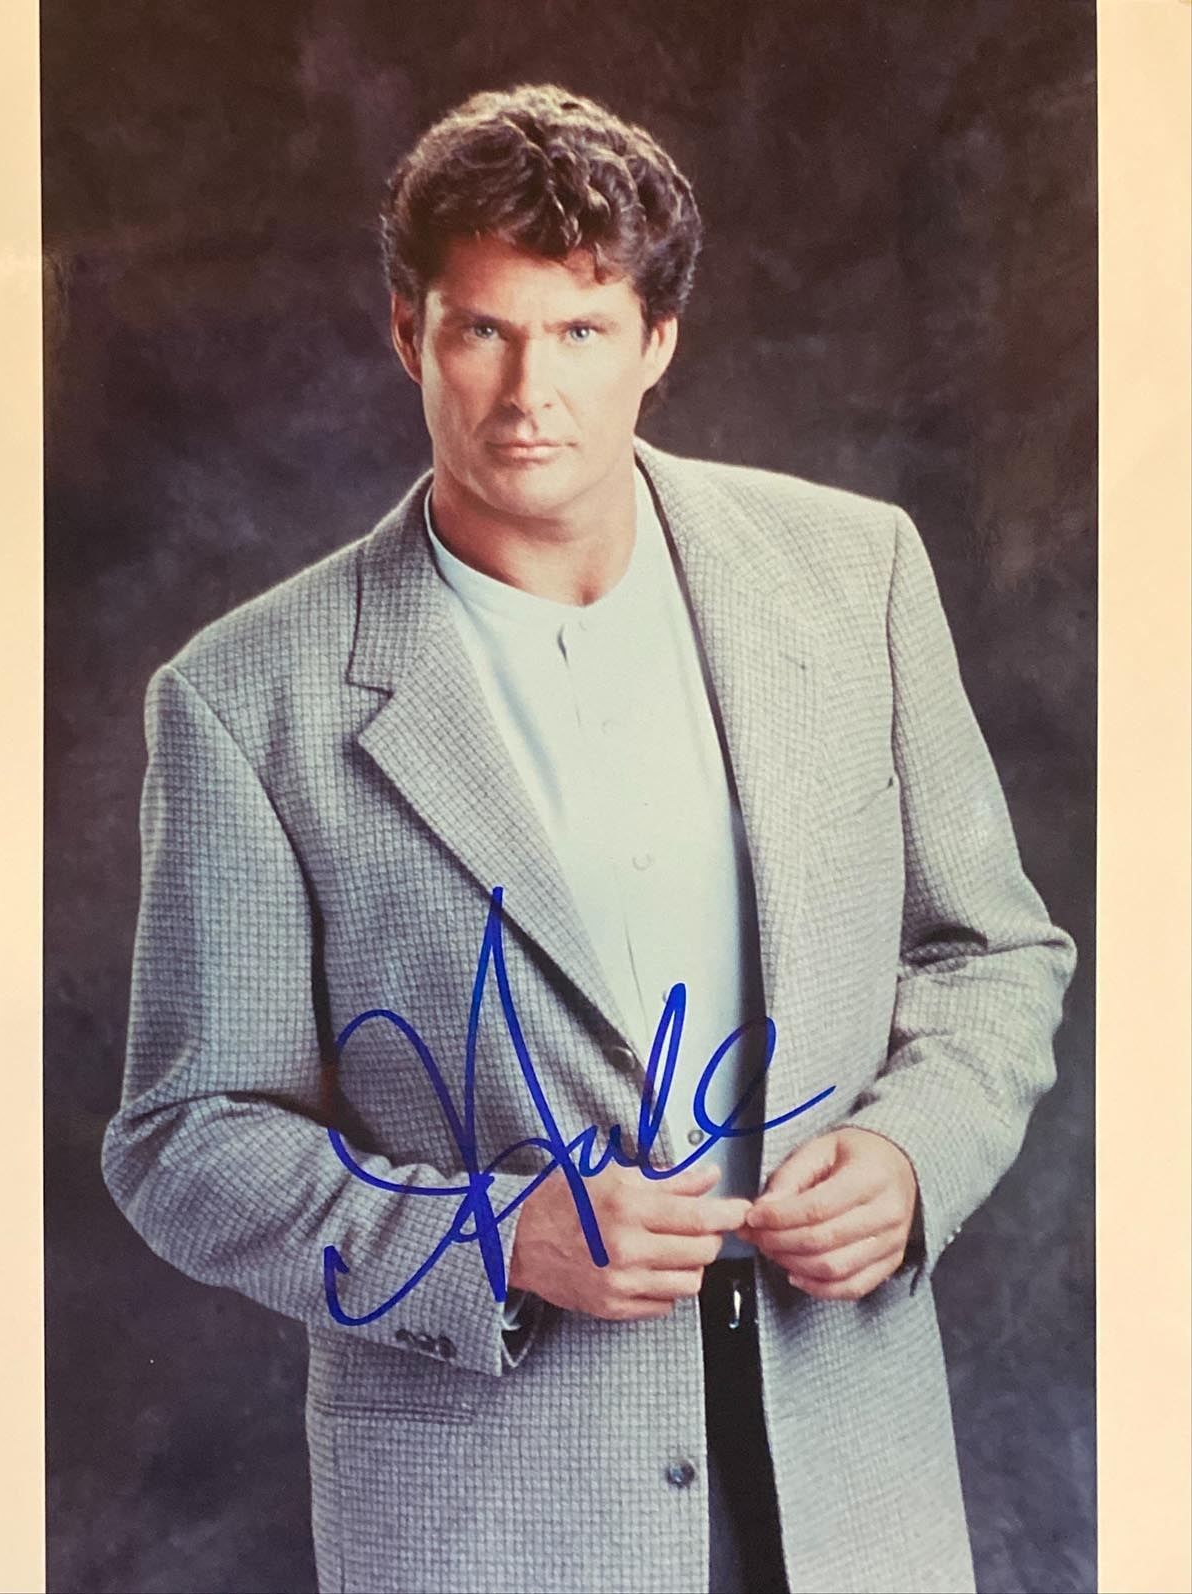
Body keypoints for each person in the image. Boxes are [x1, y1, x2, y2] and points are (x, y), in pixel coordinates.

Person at [102, 83, 1076, 1594]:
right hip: (493, 1517)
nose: (527, 392)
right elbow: (186, 1138)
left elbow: (991, 953)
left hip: (851, 1482)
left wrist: (910, 1152)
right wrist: (491, 1239)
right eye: (482, 330)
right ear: (407, 332)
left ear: (657, 341)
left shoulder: (855, 576)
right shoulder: (245, 698)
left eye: (579, 330)